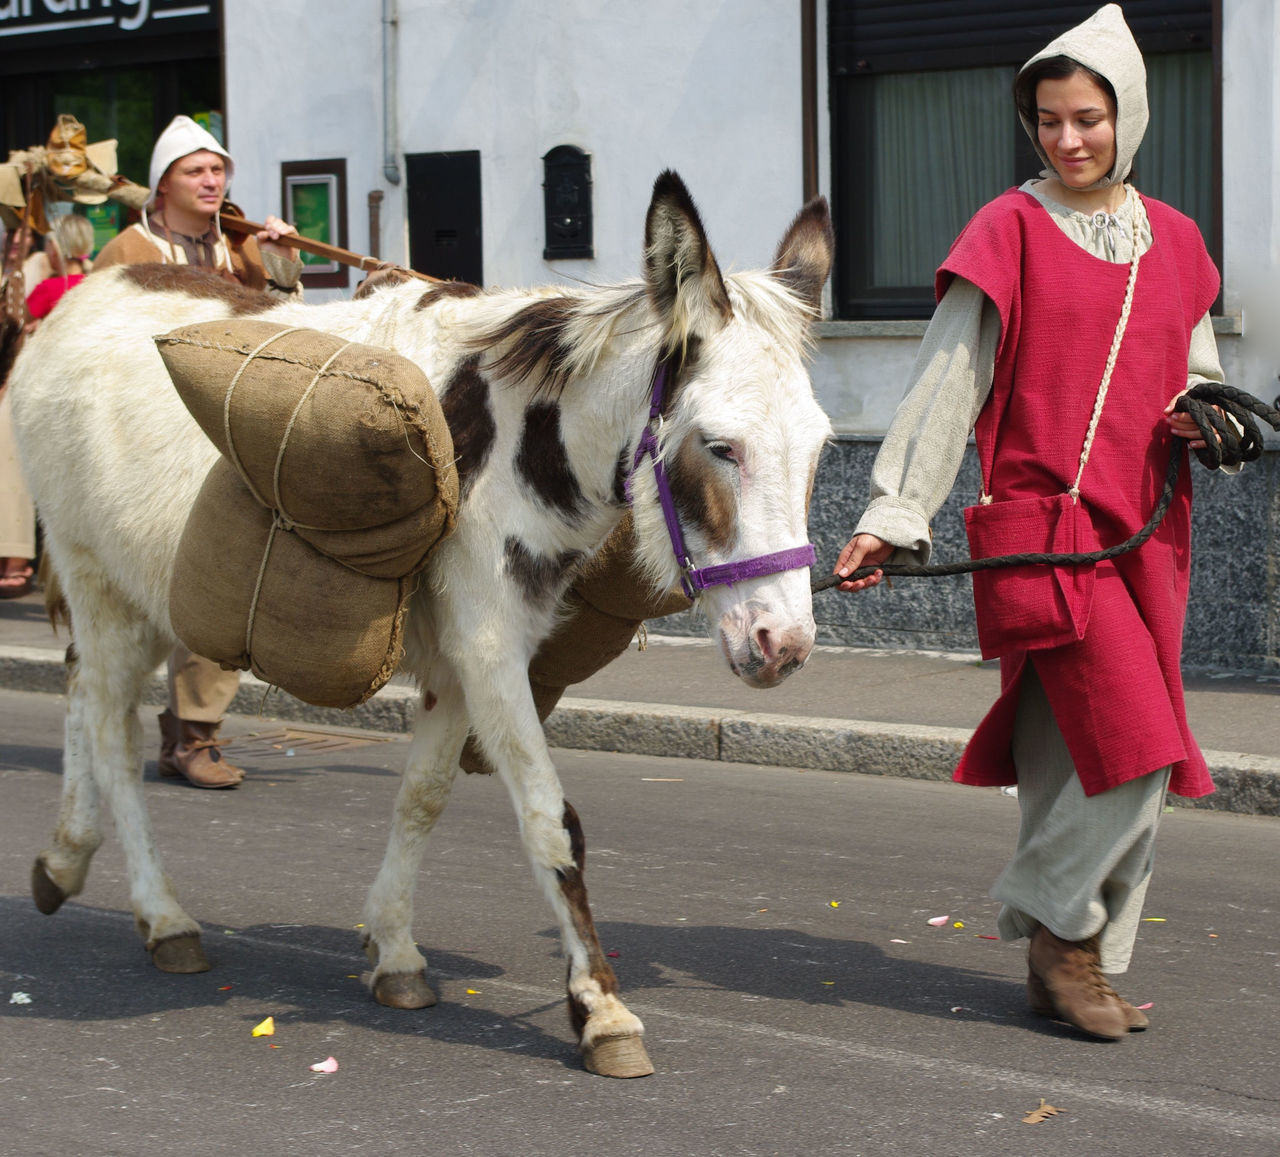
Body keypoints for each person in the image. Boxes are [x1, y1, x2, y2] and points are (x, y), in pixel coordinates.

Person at [834, 4, 1228, 1041]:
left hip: (1147, 534)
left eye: (1087, 117)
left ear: (1125, 116)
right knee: (1139, 750)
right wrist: (892, 511)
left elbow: (1199, 378)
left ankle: (1082, 960)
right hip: (1042, 534)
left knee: (1075, 757)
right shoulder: (1005, 228)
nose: (1066, 140)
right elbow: (945, 381)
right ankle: (1055, 929)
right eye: (1047, 119)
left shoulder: (1178, 244)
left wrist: (1212, 419)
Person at [94, 115, 304, 789]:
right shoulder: (128, 250)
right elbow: (87, 346)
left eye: (218, 169)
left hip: (220, 438)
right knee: (141, 591)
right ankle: (145, 725)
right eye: (196, 169)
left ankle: (194, 734)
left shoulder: (238, 250)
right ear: (163, 183)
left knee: (222, 580)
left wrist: (278, 265)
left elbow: (281, 327)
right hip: (141, 444)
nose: (212, 179)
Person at [25, 213, 95, 324]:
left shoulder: (48, 289)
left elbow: (17, 320)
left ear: (54, 248)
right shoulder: (94, 284)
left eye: (48, 242)